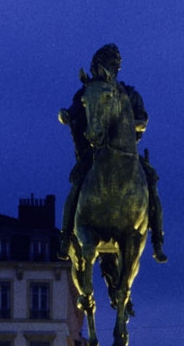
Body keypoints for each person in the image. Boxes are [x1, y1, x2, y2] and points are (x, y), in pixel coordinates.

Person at [58, 43, 168, 264]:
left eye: (107, 66)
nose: (103, 71)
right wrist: (66, 115)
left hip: (127, 154)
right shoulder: (87, 92)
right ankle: (65, 235)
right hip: (96, 152)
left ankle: (157, 239)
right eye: (99, 66)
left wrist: (125, 126)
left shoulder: (129, 94)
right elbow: (74, 110)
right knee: (77, 184)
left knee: (151, 182)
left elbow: (142, 120)